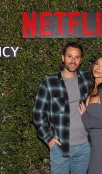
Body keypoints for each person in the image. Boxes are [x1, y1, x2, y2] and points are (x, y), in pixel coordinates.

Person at [33, 42, 90, 174]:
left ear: (81, 60)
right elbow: (37, 114)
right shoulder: (49, 82)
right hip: (60, 148)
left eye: (77, 57)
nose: (73, 61)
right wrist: (48, 139)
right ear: (63, 58)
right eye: (70, 56)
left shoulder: (87, 79)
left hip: (84, 147)